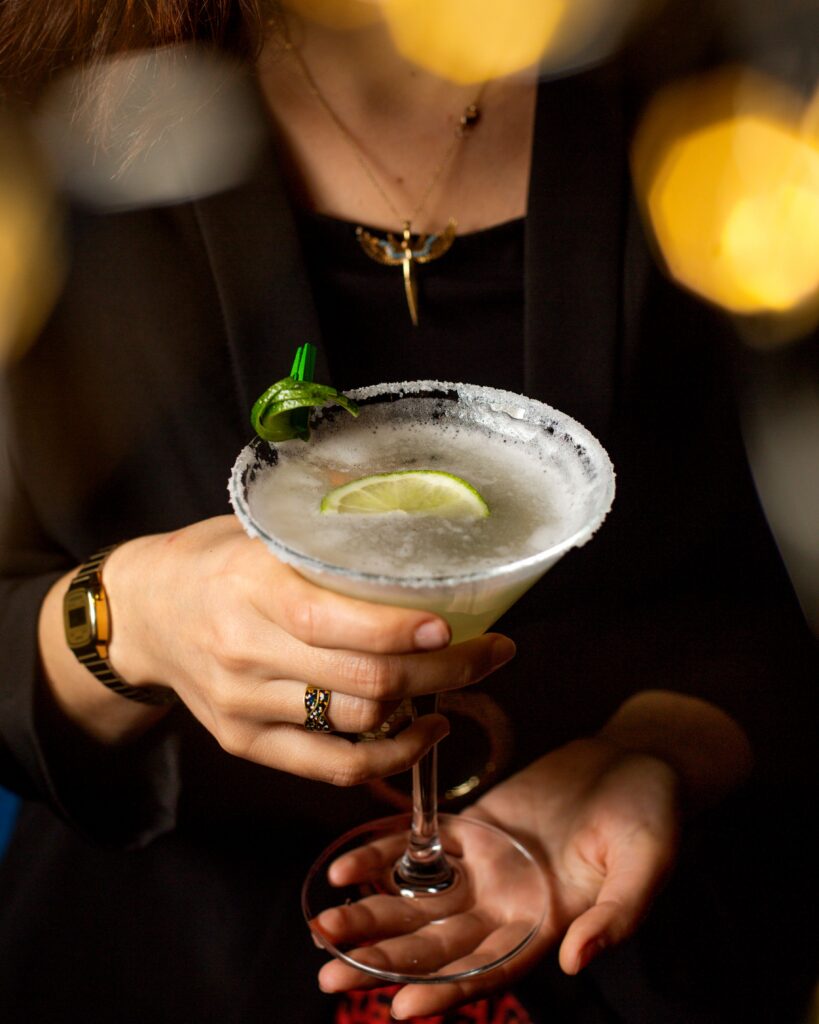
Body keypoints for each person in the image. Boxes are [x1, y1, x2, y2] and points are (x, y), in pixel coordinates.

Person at [0, 2, 817, 1022]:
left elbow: (783, 583)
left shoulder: (749, 83)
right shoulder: (35, 112)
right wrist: (128, 618)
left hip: (647, 949)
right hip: (148, 957)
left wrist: (668, 745)